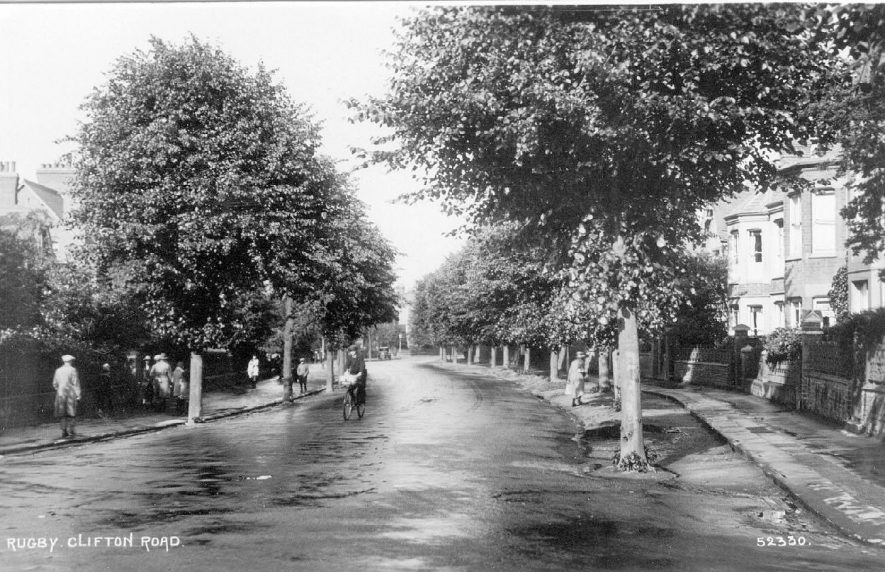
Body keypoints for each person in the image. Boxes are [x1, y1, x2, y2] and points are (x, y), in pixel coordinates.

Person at [52, 355, 81, 438]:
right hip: (70, 393)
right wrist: (78, 395)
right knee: (71, 413)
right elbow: (75, 383)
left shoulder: (58, 370)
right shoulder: (73, 370)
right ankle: (72, 430)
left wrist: (59, 389)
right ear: (71, 361)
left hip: (60, 394)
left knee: (62, 413)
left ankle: (64, 431)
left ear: (64, 361)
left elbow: (55, 384)